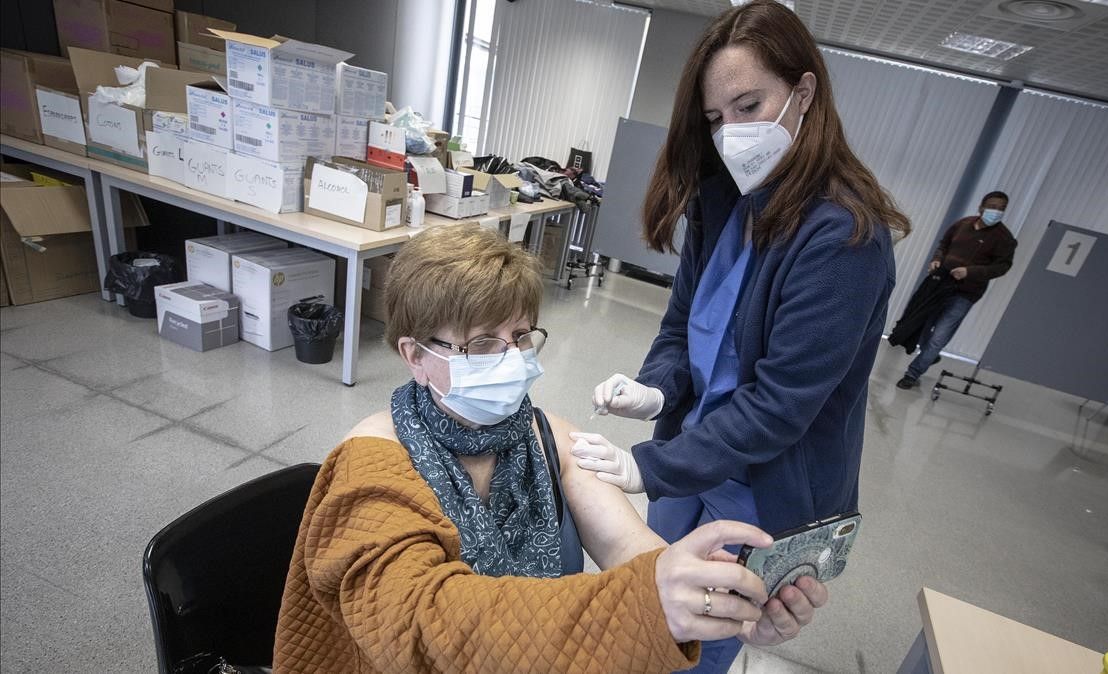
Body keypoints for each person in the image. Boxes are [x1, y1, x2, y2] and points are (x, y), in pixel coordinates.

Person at [272, 225, 829, 674]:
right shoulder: (370, 462)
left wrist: (719, 601)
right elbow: (422, 626)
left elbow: (628, 545)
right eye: (482, 342)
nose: (512, 358)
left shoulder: (544, 435)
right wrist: (642, 603)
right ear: (414, 356)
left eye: (520, 336)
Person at [571, 2, 909, 672]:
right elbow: (683, 327)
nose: (732, 134)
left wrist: (647, 467)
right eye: (716, 119)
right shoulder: (725, 202)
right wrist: (656, 392)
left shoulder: (843, 237)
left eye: (749, 105)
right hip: (696, 457)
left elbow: (781, 405)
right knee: (648, 602)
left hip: (763, 485)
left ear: (803, 93)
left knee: (699, 641)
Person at [893, 191, 1017, 389]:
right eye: (993, 206)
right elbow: (944, 244)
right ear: (982, 207)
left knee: (939, 336)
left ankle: (912, 374)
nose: (997, 211)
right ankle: (929, 355)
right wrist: (937, 259)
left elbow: (1002, 267)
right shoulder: (963, 224)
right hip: (939, 284)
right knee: (925, 326)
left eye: (1002, 208)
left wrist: (970, 272)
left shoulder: (1004, 239)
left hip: (966, 293)